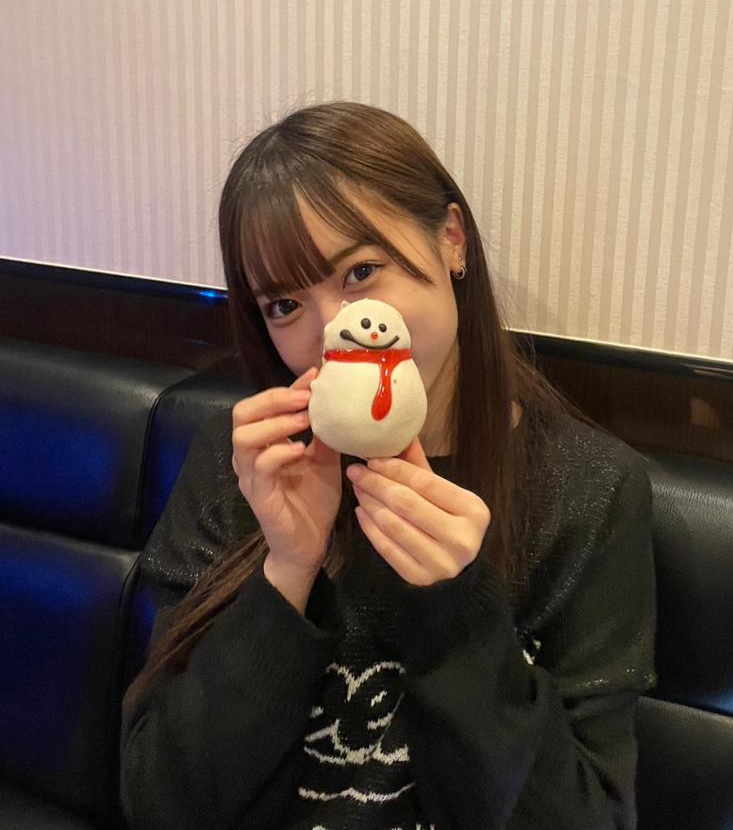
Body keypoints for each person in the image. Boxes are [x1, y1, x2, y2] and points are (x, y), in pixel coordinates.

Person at [119, 101, 658, 830]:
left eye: (361, 271)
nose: (330, 331)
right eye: (284, 305)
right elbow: (161, 805)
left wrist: (456, 614)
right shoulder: (246, 461)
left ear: (452, 241)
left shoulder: (588, 490)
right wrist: (286, 569)